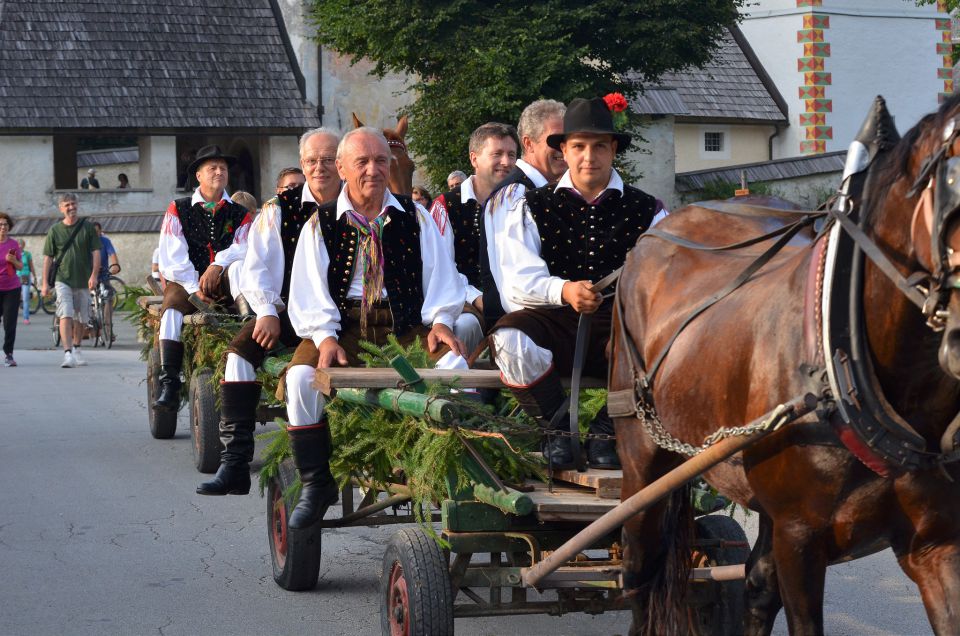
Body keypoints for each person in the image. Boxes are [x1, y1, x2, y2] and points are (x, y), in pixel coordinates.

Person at [280, 127, 466, 529]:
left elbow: (442, 276)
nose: (373, 170)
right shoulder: (322, 223)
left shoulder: (415, 216)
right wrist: (325, 337)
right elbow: (307, 289)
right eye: (361, 162)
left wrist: (441, 322)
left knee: (455, 364)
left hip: (404, 326)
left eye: (381, 161)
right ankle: (316, 483)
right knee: (300, 378)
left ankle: (442, 466)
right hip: (343, 325)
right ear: (342, 168)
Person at [490, 97, 668, 470]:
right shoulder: (530, 206)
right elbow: (516, 282)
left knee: (665, 343)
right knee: (509, 339)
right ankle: (558, 432)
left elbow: (666, 282)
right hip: (553, 317)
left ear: (613, 149)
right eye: (579, 147)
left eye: (599, 146)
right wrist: (564, 290)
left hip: (621, 322)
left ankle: (607, 431)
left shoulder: (648, 210)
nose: (589, 156)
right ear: (564, 152)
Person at [197, 128, 343, 497]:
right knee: (238, 357)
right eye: (312, 161)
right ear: (303, 164)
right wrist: (266, 312)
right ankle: (235, 464)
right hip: (288, 315)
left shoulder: (355, 202)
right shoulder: (279, 209)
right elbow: (257, 266)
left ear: (340, 163)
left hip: (344, 318)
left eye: (328, 160)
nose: (320, 168)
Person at [154, 145, 253, 411]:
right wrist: (192, 287)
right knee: (171, 310)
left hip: (223, 281)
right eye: (212, 168)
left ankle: (250, 342)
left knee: (242, 270)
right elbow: (172, 256)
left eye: (223, 168)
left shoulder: (240, 213)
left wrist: (218, 265)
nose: (219, 172)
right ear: (198, 175)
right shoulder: (179, 208)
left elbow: (245, 248)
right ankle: (170, 382)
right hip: (186, 281)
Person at [429, 122, 519, 353]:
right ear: (474, 159)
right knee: (464, 327)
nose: (506, 162)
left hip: (516, 299)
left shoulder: (522, 201)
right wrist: (477, 297)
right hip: (462, 301)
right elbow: (440, 268)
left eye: (511, 154)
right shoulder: (445, 206)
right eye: (497, 154)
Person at [481, 99, 567, 326]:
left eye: (566, 140)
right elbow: (518, 288)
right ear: (528, 144)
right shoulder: (515, 195)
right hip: (524, 330)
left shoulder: (544, 191)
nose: (564, 149)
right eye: (555, 140)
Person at [41, 194, 101, 368]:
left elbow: (96, 252)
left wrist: (94, 275)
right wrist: (45, 283)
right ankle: (67, 353)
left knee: (82, 317)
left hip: (83, 279)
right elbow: (48, 258)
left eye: (73, 204)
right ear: (61, 208)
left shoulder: (88, 228)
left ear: (77, 205)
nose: (71, 207)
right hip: (63, 279)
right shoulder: (55, 230)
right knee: (66, 313)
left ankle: (77, 348)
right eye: (67, 205)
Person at [0, 213, 23, 366]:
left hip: (11, 289)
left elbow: (20, 266)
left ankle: (9, 354)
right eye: (0, 225)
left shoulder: (14, 244)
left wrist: (13, 260)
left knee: (10, 323)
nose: (3, 227)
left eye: (5, 225)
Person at [92, 222, 121, 340]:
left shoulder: (105, 241)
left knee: (108, 299)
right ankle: (91, 326)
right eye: (92, 232)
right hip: (89, 276)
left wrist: (114, 266)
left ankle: (108, 328)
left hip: (103, 275)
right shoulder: (84, 242)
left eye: (97, 232)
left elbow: (113, 255)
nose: (95, 234)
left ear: (100, 231)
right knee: (87, 301)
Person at [16, 238, 35, 325]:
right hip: (15, 277)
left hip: (25, 277)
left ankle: (26, 318)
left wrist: (34, 276)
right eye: (18, 244)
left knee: (25, 298)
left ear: (23, 245)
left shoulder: (27, 254)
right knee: (14, 298)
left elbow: (31, 266)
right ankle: (12, 317)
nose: (20, 246)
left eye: (21, 244)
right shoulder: (14, 254)